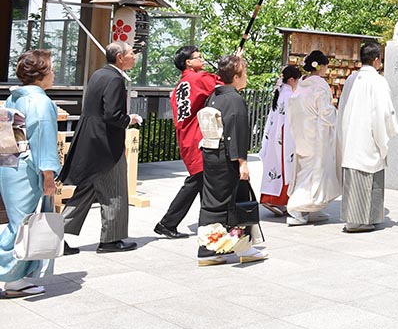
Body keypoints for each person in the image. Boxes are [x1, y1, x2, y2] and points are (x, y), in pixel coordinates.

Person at [59, 42, 142, 254]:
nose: (135, 57)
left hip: (90, 140)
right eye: (132, 53)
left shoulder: (98, 74)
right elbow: (112, 115)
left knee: (86, 191)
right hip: (105, 145)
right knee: (115, 191)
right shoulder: (115, 79)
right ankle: (111, 240)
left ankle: (55, 237)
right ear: (120, 57)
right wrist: (129, 119)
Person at [0, 50, 61, 297]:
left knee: (21, 223)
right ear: (41, 73)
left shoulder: (14, 97)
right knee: (22, 225)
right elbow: (44, 141)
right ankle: (8, 273)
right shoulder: (40, 102)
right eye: (52, 68)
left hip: (10, 163)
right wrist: (48, 176)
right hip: (28, 168)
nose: (54, 73)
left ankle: (16, 279)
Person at [197, 53, 266, 267]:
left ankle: (208, 248)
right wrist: (242, 161)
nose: (246, 77)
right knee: (234, 203)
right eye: (244, 73)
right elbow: (236, 131)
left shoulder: (215, 95)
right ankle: (240, 247)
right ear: (236, 77)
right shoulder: (235, 99)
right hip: (227, 157)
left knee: (212, 204)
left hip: (211, 153)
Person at [154, 45, 219, 239]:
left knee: (202, 180)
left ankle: (207, 223)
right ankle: (168, 222)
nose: (203, 60)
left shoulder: (181, 85)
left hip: (187, 137)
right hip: (198, 137)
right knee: (197, 181)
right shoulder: (197, 78)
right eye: (199, 57)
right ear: (188, 62)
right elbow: (225, 80)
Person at [338, 41, 398, 233]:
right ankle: (359, 220)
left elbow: (341, 109)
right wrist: (389, 132)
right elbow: (384, 112)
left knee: (355, 179)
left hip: (351, 136)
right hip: (368, 136)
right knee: (367, 180)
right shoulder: (378, 81)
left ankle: (357, 218)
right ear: (376, 60)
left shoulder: (351, 79)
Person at [285, 50, 341, 226]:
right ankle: (296, 207)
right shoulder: (319, 85)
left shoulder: (301, 84)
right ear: (321, 66)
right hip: (317, 135)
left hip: (302, 133)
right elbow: (325, 111)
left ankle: (314, 208)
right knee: (315, 172)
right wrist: (337, 117)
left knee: (307, 170)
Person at [259, 65, 302, 216]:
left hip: (274, 134)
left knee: (276, 166)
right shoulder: (289, 94)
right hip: (285, 135)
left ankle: (272, 198)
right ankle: (277, 200)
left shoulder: (280, 92)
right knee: (285, 167)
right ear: (291, 80)